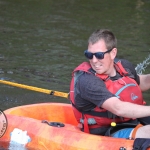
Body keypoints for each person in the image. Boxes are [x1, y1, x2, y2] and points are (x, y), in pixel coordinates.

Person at [70, 29, 150, 139]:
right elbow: (118, 108)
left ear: (113, 53)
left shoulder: (124, 66)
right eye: (89, 55)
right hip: (107, 131)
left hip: (131, 121)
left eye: (99, 55)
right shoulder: (87, 81)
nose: (94, 60)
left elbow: (140, 83)